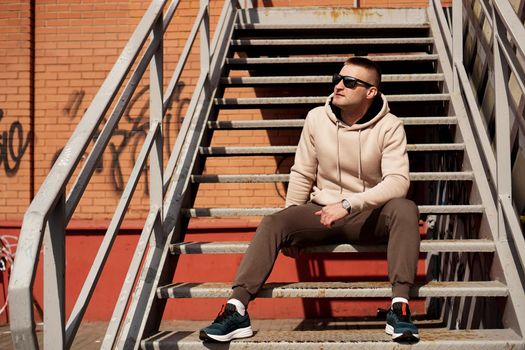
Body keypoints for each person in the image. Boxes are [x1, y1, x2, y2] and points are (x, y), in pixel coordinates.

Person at [199, 56, 421, 343]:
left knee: (405, 208)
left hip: (369, 214)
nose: (339, 86)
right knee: (274, 222)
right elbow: (302, 172)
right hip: (322, 212)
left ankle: (399, 308)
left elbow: (398, 182)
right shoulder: (317, 118)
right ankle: (236, 308)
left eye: (349, 82)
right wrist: (291, 225)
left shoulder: (390, 126)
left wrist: (349, 204)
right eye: (337, 79)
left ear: (371, 92)